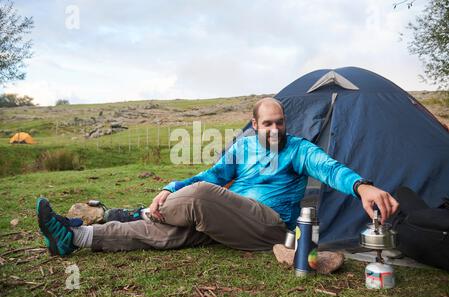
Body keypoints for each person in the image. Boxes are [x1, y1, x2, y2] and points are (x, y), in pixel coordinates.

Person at [36, 97, 399, 257]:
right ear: (254, 124)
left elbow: (329, 167)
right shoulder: (242, 147)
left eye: (280, 122)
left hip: (270, 226)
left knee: (201, 195)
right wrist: (167, 187)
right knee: (163, 234)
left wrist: (361, 185)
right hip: (228, 221)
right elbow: (212, 173)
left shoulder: (299, 149)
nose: (275, 128)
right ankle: (77, 237)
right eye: (267, 123)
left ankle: (136, 210)